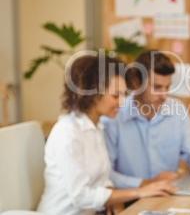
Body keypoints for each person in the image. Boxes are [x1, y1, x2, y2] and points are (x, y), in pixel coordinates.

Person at [37, 55, 176, 215]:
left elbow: (103, 180)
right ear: (92, 94)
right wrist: (140, 191)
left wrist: (114, 201)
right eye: (116, 96)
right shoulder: (67, 132)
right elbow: (81, 196)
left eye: (123, 95)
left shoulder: (97, 127)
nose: (122, 102)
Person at [102, 50, 190, 191]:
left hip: (167, 195)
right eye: (157, 87)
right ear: (137, 83)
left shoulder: (176, 109)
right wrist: (145, 183)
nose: (164, 95)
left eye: (167, 87)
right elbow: (106, 174)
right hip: (128, 198)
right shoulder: (114, 115)